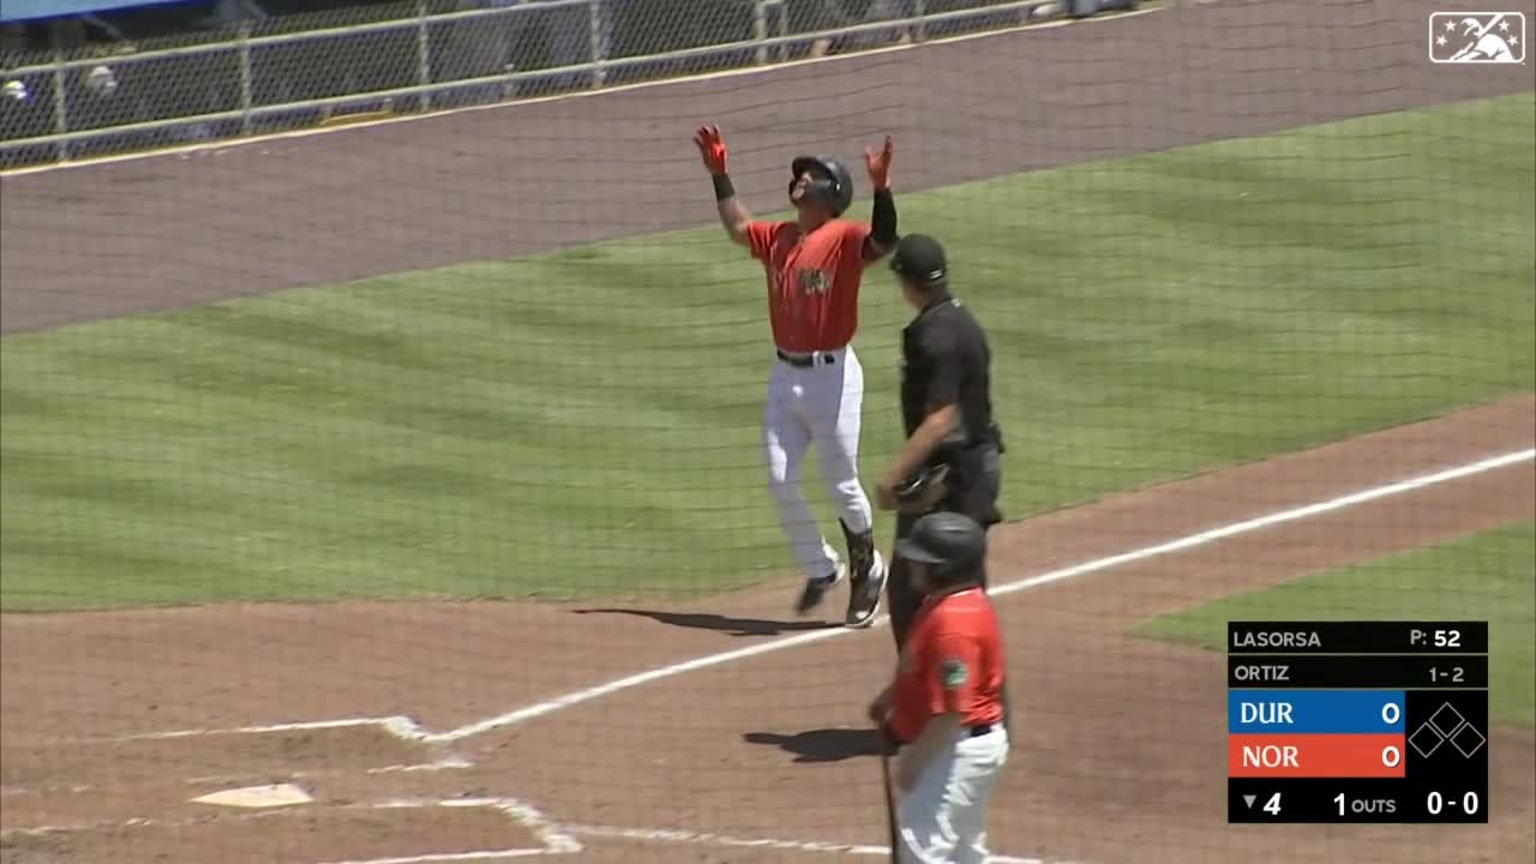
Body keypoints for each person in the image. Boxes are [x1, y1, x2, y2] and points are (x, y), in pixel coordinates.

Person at [692, 123, 898, 628]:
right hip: (784, 376)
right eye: (800, 175)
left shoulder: (843, 238)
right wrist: (720, 175)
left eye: (810, 176)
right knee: (780, 478)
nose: (800, 180)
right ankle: (821, 566)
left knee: (841, 482)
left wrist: (883, 189)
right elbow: (739, 226)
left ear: (831, 192)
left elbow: (885, 242)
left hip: (833, 378)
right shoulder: (779, 237)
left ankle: (867, 567)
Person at [874, 233, 1004, 651]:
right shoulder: (959, 320)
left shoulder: (936, 335)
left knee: (930, 590)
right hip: (963, 469)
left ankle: (955, 696)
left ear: (908, 283)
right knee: (941, 587)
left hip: (955, 477)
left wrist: (892, 477)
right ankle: (929, 695)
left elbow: (942, 417)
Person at [868, 511, 1010, 864]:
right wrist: (888, 699)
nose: (912, 566)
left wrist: (913, 763)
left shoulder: (953, 626)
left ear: (943, 568)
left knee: (921, 847)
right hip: (963, 744)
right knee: (963, 850)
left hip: (955, 748)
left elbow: (950, 712)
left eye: (921, 560)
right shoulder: (947, 603)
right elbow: (919, 663)